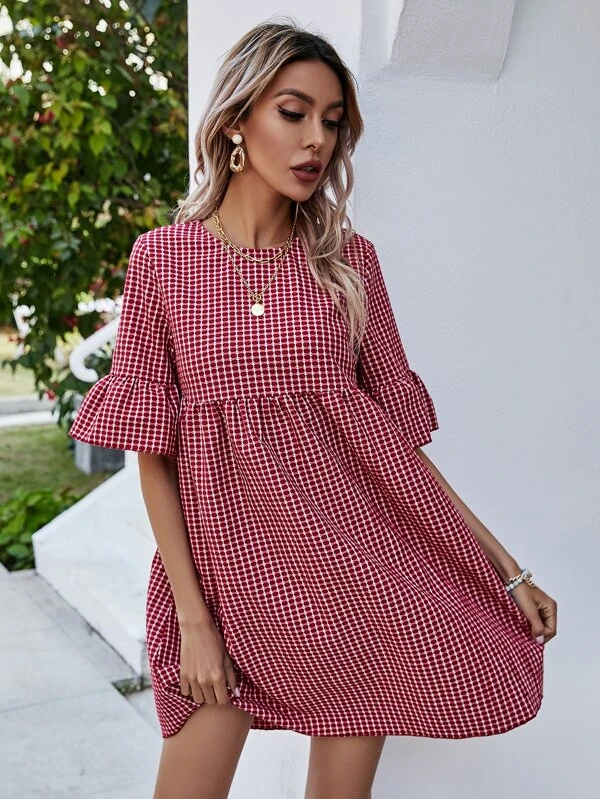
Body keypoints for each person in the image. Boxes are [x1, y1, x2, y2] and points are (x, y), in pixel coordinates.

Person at [68, 18, 557, 799]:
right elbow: (152, 452)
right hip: (224, 586)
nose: (316, 141)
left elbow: (397, 454)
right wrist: (194, 619)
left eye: (332, 122)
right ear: (237, 121)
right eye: (293, 113)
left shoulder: (349, 264)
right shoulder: (163, 259)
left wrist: (507, 570)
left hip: (352, 581)